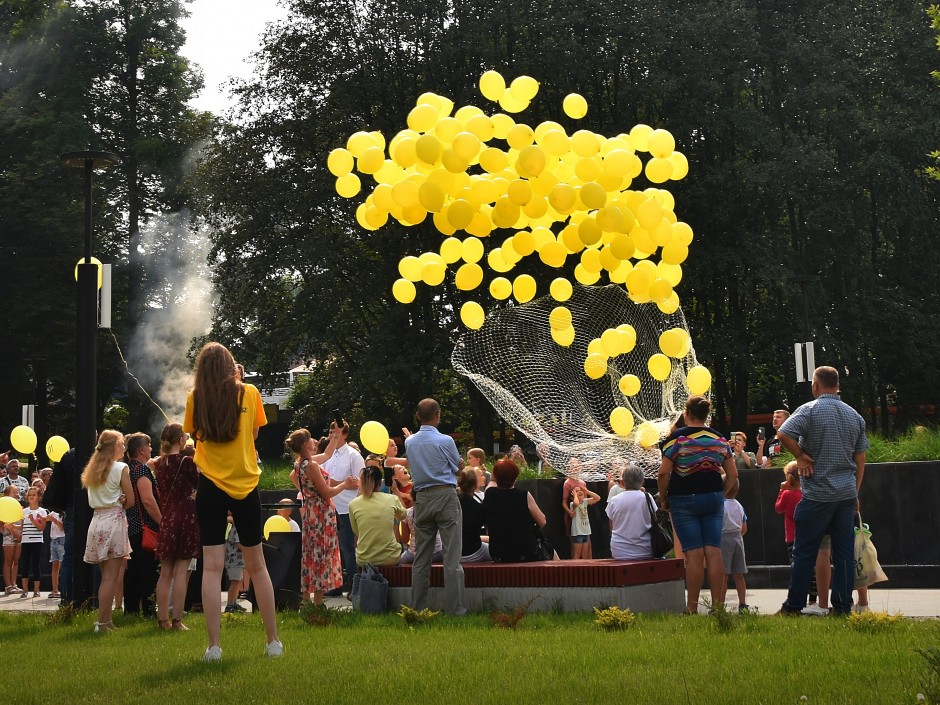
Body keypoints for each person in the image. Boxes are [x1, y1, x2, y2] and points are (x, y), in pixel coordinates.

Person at [183, 341, 282, 660]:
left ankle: (213, 647)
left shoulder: (194, 398)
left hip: (210, 486)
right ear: (230, 366)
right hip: (245, 484)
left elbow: (195, 436)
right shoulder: (249, 393)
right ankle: (273, 642)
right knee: (258, 566)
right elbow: (253, 435)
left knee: (211, 570)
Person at [776, 366, 868, 617]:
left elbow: (783, 433)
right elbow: (860, 460)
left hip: (816, 495)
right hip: (846, 496)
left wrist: (800, 457)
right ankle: (842, 608)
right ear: (837, 385)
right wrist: (855, 492)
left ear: (815, 385)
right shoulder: (854, 415)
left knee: (804, 552)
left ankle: (793, 606)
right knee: (844, 555)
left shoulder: (809, 410)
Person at [657, 395, 738, 614]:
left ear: (686, 414)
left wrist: (663, 498)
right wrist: (722, 494)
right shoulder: (719, 439)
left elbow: (664, 472)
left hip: (683, 499)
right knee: (713, 552)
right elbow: (733, 474)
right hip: (712, 498)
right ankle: (718, 607)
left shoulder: (677, 439)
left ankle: (691, 609)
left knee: (693, 554)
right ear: (706, 415)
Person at [404, 398, 466, 615]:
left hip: (421, 498)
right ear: (438, 415)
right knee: (451, 558)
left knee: (421, 558)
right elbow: (458, 470)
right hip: (445, 495)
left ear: (418, 416)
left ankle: (417, 609)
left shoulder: (409, 442)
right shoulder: (446, 440)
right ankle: (454, 610)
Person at [286, 426, 356, 604]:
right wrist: (345, 484)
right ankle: (318, 602)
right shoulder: (311, 465)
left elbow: (327, 456)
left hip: (310, 513)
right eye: (310, 439)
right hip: (321, 514)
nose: (314, 441)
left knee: (311, 555)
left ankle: (307, 600)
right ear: (305, 445)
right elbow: (326, 493)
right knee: (322, 555)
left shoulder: (300, 463)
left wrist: (335, 436)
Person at [81, 430, 134, 632]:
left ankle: (107, 620)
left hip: (97, 521)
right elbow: (131, 501)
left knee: (106, 576)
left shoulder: (93, 469)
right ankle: (102, 622)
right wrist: (122, 499)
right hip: (113, 521)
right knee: (111, 578)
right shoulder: (121, 468)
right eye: (121, 444)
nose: (124, 448)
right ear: (114, 446)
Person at [153, 422, 200, 631]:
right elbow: (200, 485)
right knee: (181, 572)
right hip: (187, 517)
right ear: (181, 440)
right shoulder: (187, 461)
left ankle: (162, 620)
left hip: (167, 518)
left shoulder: (158, 463)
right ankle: (177, 621)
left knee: (165, 573)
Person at [322, 421, 365, 595]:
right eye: (331, 430)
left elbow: (360, 484)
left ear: (345, 434)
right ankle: (334, 586)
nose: (333, 433)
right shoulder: (327, 455)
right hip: (329, 507)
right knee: (332, 549)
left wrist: (335, 483)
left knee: (347, 547)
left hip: (347, 508)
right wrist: (343, 483)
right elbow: (324, 482)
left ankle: (355, 586)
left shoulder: (354, 455)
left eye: (337, 430)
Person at [483, 458, 552, 562]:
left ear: (495, 477)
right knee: (551, 551)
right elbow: (542, 521)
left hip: (499, 553)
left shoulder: (489, 494)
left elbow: (491, 484)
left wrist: (496, 476)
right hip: (526, 551)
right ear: (515, 477)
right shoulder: (523, 495)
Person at [123, 432, 161, 617]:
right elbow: (147, 500)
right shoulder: (141, 470)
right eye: (149, 445)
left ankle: (130, 609)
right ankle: (148, 610)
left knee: (133, 571)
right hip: (145, 527)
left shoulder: (127, 468)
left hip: (131, 526)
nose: (152, 449)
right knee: (147, 570)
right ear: (141, 450)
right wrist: (161, 522)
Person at [349, 465, 406, 567]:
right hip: (390, 557)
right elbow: (403, 515)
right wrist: (396, 490)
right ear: (380, 482)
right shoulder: (392, 499)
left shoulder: (353, 504)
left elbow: (357, 531)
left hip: (365, 559)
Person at [606, 462, 655, 560]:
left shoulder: (614, 500)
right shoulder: (647, 497)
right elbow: (654, 515)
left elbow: (611, 520)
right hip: (645, 549)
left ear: (623, 482)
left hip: (619, 550)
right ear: (642, 481)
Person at [718, 482, 749, 611]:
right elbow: (744, 527)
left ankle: (720, 605)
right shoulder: (739, 506)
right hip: (738, 539)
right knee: (739, 574)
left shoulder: (720, 506)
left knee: (724, 575)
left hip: (723, 539)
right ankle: (743, 604)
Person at [18, 486, 48, 598]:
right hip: (25, 541)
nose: (31, 497)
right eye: (29, 495)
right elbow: (21, 527)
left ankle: (36, 589)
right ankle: (24, 589)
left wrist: (33, 520)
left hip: (37, 541)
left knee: (36, 565)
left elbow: (41, 528)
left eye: (34, 495)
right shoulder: (23, 511)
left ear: (39, 497)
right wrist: (12, 527)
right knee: (24, 565)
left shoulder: (42, 511)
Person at [457, 468, 490, 563]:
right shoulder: (479, 507)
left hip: (452, 552)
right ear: (475, 485)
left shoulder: (451, 504)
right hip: (474, 552)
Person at [568, 485, 600, 559]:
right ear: (572, 495)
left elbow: (598, 498)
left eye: (580, 490)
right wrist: (575, 495)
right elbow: (576, 503)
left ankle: (584, 569)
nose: (579, 491)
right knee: (577, 554)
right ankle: (574, 569)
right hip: (578, 532)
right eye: (576, 491)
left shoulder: (585, 502)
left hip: (586, 531)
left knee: (585, 554)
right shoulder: (572, 504)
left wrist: (587, 491)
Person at [2, 485, 22, 594]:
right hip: (8, 537)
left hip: (18, 536)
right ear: (7, 495)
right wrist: (15, 533)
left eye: (17, 492)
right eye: (14, 492)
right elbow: (6, 525)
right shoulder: (4, 508)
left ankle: (14, 584)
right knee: (8, 561)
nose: (17, 494)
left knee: (16, 561)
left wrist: (18, 534)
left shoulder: (20, 507)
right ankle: (8, 585)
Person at [47, 508, 64, 598]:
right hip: (53, 540)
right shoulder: (53, 512)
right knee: (54, 565)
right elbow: (44, 519)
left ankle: (64, 589)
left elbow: (63, 527)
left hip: (62, 540)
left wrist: (54, 520)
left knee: (62, 565)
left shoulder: (64, 513)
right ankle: (55, 590)